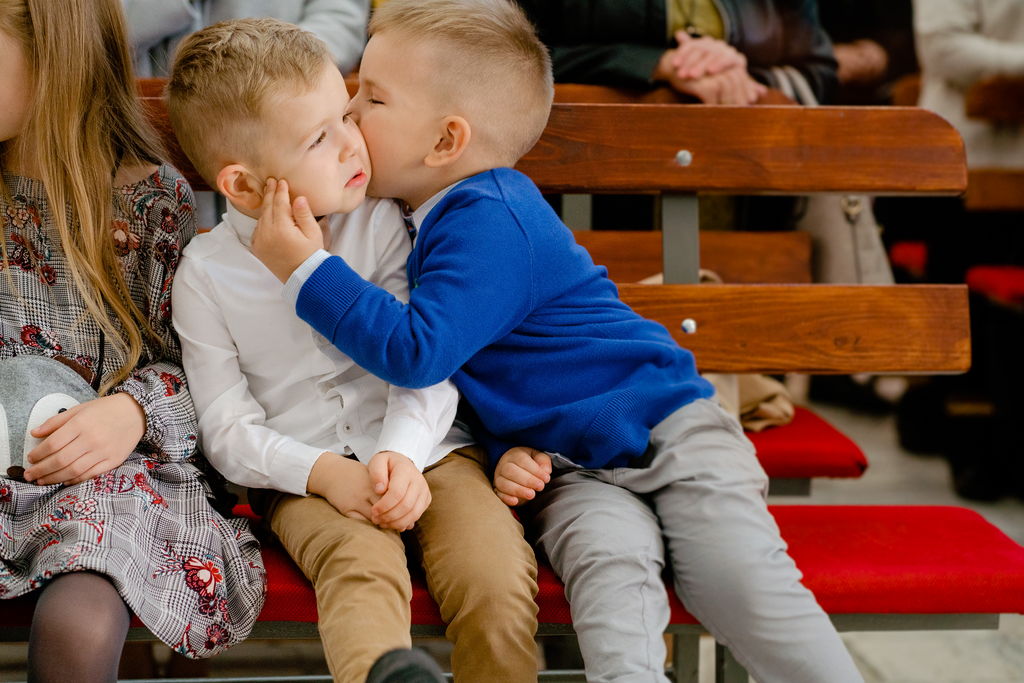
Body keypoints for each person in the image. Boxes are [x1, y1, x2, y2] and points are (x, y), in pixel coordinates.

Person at [249, 1, 864, 681]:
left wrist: (305, 270)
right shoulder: (416, 217)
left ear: (446, 142)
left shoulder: (493, 216)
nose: (352, 112)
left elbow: (419, 351)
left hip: (667, 432)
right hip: (570, 468)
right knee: (613, 606)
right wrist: (508, 450)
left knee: (743, 589)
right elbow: (489, 369)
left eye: (372, 96)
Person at [166, 18, 539, 683]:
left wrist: (400, 449)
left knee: (493, 575)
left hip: (432, 450)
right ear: (245, 188)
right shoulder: (205, 273)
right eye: (319, 137)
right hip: (306, 481)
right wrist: (324, 473)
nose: (351, 142)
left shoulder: (387, 220)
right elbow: (226, 429)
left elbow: (430, 358)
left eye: (347, 112)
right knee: (360, 574)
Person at [0, 1, 265, 681]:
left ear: (58, 62)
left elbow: (200, 367)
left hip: (109, 476)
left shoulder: (148, 200)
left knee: (77, 625)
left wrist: (134, 411)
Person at [516, 0, 835, 106]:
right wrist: (652, 64)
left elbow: (816, 75)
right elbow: (499, 60)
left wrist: (733, 77)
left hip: (751, 205)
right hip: (575, 203)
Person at [124, 0, 370, 77]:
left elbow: (340, 24)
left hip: (267, 110)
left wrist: (267, 68)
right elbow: (98, 34)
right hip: (142, 130)